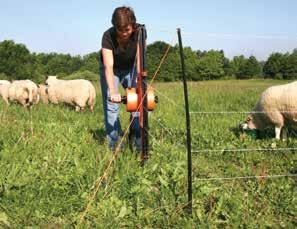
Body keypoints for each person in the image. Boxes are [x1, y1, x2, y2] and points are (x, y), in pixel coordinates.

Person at [99, 6, 141, 151]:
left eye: (127, 30)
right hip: (113, 70)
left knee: (137, 103)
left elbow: (141, 60)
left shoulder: (140, 32)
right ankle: (115, 143)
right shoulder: (107, 36)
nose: (124, 33)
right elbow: (108, 67)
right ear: (114, 26)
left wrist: (139, 82)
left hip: (132, 68)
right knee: (111, 107)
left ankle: (136, 137)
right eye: (120, 30)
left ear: (133, 25)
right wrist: (113, 91)